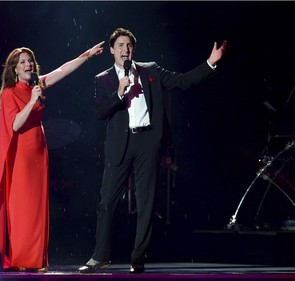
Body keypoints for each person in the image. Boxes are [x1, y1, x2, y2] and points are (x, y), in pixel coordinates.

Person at [77, 27, 227, 274]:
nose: (126, 50)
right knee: (106, 202)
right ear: (112, 51)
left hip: (147, 142)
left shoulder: (151, 70)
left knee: (146, 202)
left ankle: (138, 258)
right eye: (121, 46)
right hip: (120, 146)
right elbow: (100, 113)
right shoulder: (103, 79)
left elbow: (182, 81)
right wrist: (118, 93)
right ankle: (100, 256)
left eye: (129, 46)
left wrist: (210, 63)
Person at [0, 41, 104, 272]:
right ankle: (22, 258)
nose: (28, 64)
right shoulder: (10, 94)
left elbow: (63, 70)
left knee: (38, 205)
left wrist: (87, 55)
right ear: (14, 69)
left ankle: (37, 258)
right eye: (22, 62)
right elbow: (15, 125)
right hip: (22, 154)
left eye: (29, 61)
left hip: (38, 152)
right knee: (23, 205)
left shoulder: (38, 85)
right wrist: (33, 100)